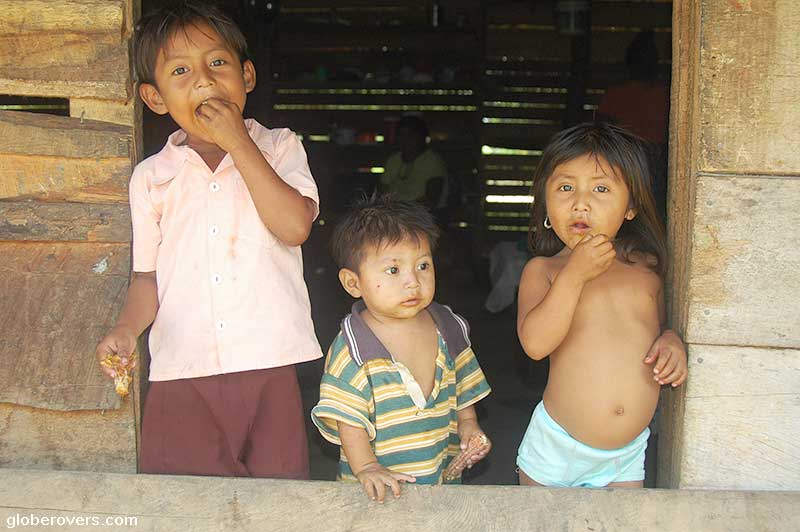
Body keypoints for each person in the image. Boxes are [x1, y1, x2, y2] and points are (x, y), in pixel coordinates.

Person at [94, 1, 322, 479]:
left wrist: (239, 142)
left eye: (218, 63)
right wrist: (125, 329)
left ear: (248, 76)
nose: (204, 79)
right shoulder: (152, 178)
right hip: (183, 368)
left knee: (276, 503)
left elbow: (295, 226)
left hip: (269, 361)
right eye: (181, 70)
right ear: (155, 99)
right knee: (185, 503)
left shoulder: (280, 147)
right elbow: (145, 280)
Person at [516, 123, 688, 488]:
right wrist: (574, 276)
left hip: (625, 455)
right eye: (565, 187)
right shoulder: (544, 271)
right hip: (556, 446)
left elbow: (659, 330)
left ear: (631, 208)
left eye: (601, 188)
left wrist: (672, 340)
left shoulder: (646, 269)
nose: (581, 202)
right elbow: (535, 344)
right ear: (546, 204)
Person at [311, 196, 491, 502]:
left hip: (441, 484)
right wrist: (367, 467)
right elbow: (349, 421)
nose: (413, 282)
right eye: (393, 270)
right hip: (377, 493)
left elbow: (462, 390)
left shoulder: (448, 327)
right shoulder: (353, 349)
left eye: (422, 265)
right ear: (353, 283)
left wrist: (469, 427)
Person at [597, 30, 670, 219]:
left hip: (660, 159)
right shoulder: (616, 95)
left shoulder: (666, 93)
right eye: (639, 59)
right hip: (627, 158)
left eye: (647, 58)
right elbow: (602, 134)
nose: (643, 63)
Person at [379, 116, 449, 217]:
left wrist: (403, 212)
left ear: (422, 137)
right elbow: (382, 193)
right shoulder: (393, 161)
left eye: (411, 135)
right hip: (394, 217)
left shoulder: (432, 161)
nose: (406, 140)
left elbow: (431, 200)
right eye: (402, 135)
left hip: (425, 218)